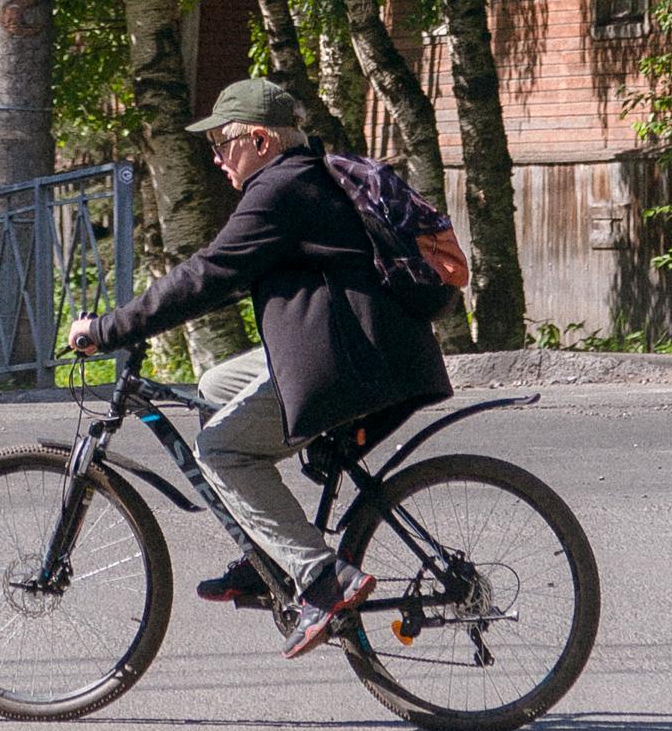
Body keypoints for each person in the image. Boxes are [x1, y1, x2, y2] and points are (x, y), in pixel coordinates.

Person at [64, 75, 451, 658]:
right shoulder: (301, 178)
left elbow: (209, 272)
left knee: (220, 448)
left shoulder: (278, 191)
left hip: (354, 359)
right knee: (215, 383)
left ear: (262, 141)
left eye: (224, 144)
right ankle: (266, 552)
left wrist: (109, 329)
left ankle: (323, 577)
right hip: (366, 345)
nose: (217, 158)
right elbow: (232, 275)